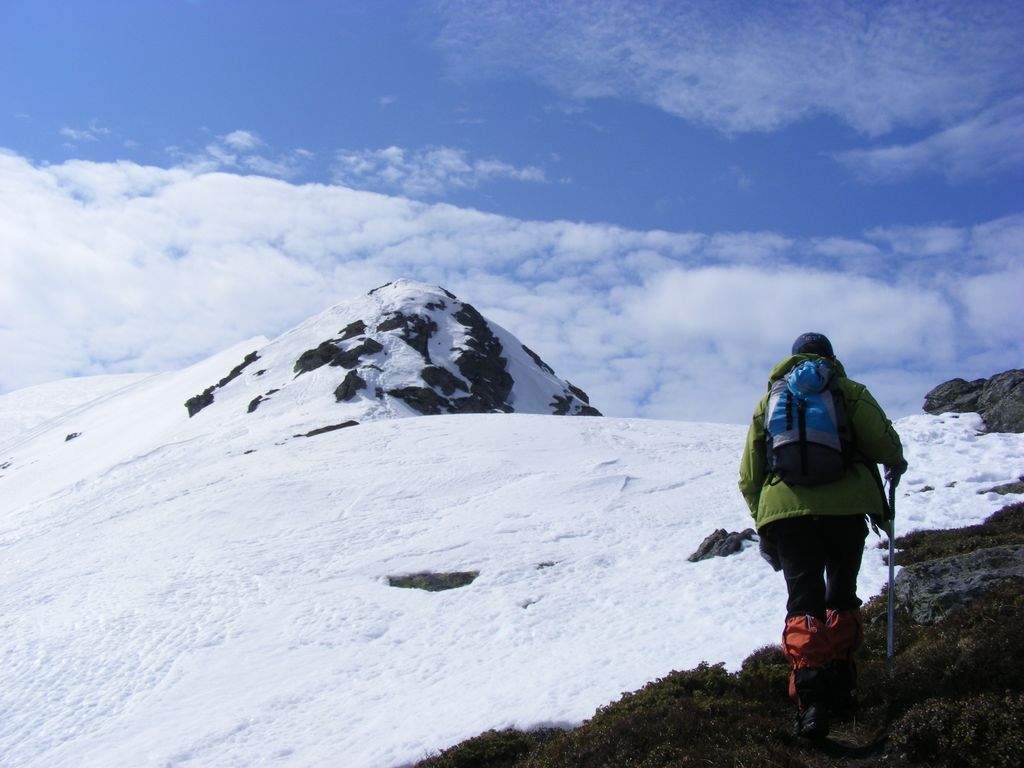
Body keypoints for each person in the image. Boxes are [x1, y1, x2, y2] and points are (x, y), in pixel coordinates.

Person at [738, 332, 907, 739]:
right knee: (841, 592)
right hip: (846, 509)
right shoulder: (848, 391)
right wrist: (895, 462)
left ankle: (811, 700)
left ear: (792, 358)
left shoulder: (770, 400)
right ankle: (843, 683)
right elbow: (882, 441)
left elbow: (749, 473)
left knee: (803, 598)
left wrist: (764, 519)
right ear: (830, 357)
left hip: (788, 512)